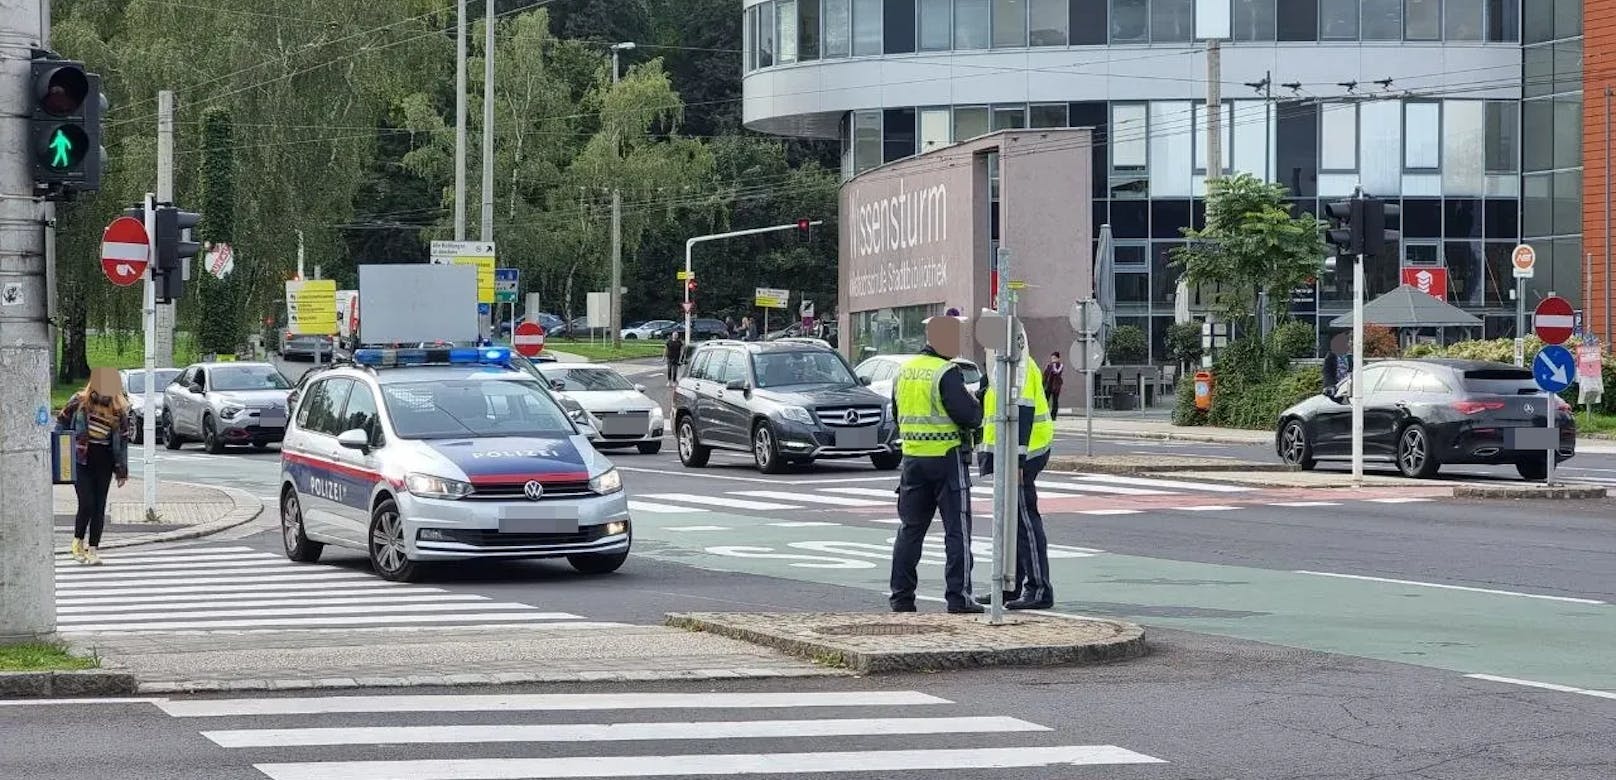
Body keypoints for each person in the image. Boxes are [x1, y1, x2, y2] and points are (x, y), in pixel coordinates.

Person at [890, 315, 984, 614]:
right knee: (957, 531)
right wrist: (978, 401)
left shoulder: (904, 372)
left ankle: (902, 598)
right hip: (947, 458)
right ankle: (959, 597)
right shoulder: (946, 372)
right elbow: (969, 416)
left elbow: (896, 413)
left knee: (910, 530)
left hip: (913, 460)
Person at [976, 350, 1056, 610]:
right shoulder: (1002, 366)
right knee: (1009, 522)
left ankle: (1038, 588)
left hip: (1024, 453)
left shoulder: (1018, 366)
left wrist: (1018, 461)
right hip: (1009, 453)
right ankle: (1010, 585)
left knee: (1023, 521)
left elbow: (1022, 411)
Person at [68, 368, 130, 566]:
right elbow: (61, 424)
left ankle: (93, 549)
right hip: (82, 457)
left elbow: (123, 442)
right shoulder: (79, 401)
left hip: (104, 460)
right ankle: (78, 542)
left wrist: (122, 470)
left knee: (99, 506)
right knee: (86, 503)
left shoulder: (119, 409)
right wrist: (62, 451)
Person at [1042, 352, 1065, 420]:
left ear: (1058, 358)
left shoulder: (1060, 365)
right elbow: (1045, 375)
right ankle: (1044, 414)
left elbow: (1057, 372)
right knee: (1045, 400)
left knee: (1055, 401)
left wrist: (1054, 365)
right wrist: (1043, 384)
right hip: (1048, 385)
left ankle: (1053, 416)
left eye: (1054, 358)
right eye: (1052, 358)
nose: (1053, 360)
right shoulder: (1049, 365)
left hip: (1056, 386)